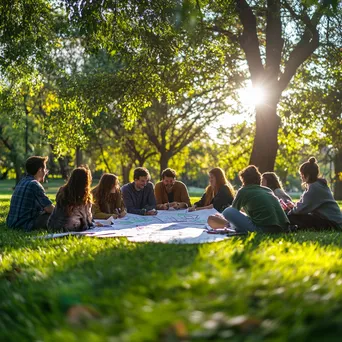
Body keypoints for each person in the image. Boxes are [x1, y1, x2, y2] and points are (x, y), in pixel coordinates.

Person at [208, 165, 289, 233]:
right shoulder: (267, 190)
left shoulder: (244, 191)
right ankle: (232, 226)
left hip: (262, 229)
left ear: (244, 180)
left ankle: (231, 226)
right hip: (282, 228)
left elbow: (233, 210)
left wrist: (221, 216)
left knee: (227, 211)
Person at [287, 157, 342, 230]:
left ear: (307, 175)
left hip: (333, 224)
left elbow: (301, 209)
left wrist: (289, 213)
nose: (301, 177)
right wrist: (294, 206)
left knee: (291, 217)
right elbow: (304, 204)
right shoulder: (317, 185)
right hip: (332, 221)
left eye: (301, 174)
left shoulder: (314, 187)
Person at [6, 156, 54, 231]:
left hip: (11, 223)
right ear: (40, 170)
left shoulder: (22, 181)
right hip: (24, 225)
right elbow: (50, 209)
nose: (45, 172)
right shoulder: (34, 184)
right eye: (45, 170)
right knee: (54, 216)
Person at [47, 166, 93, 232]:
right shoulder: (84, 197)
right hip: (69, 227)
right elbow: (88, 220)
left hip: (52, 225)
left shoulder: (62, 191)